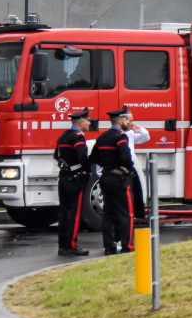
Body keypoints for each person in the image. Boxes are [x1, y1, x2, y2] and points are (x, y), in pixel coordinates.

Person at [90, 108, 137, 254]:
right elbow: (126, 157)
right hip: (119, 179)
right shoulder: (121, 137)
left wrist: (107, 164)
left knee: (108, 214)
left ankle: (109, 247)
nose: (128, 122)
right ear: (120, 120)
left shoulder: (102, 137)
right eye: (126, 120)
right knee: (126, 213)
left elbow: (93, 158)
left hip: (105, 177)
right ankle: (127, 246)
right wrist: (128, 168)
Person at [54, 110, 92, 256]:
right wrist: (87, 170)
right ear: (81, 122)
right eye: (88, 120)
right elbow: (82, 156)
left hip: (63, 176)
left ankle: (62, 245)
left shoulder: (63, 135)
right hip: (75, 178)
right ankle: (71, 245)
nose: (89, 123)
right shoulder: (78, 137)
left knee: (63, 211)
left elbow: (56, 155)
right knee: (74, 213)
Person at [115, 106, 150, 219]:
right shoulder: (116, 134)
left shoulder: (130, 133)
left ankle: (138, 214)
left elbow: (146, 137)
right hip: (120, 166)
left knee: (137, 190)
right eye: (129, 120)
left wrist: (138, 129)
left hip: (129, 166)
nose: (131, 123)